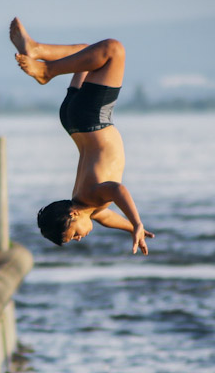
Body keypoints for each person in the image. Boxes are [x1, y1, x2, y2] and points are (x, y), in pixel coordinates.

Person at [9, 17, 151, 254]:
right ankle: (38, 50)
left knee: (112, 49)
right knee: (87, 54)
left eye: (73, 234)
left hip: (92, 119)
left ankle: (47, 70)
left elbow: (118, 190)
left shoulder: (92, 196)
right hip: (72, 119)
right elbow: (105, 218)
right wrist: (131, 229)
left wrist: (137, 222)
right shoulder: (88, 203)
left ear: (72, 213)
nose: (78, 238)